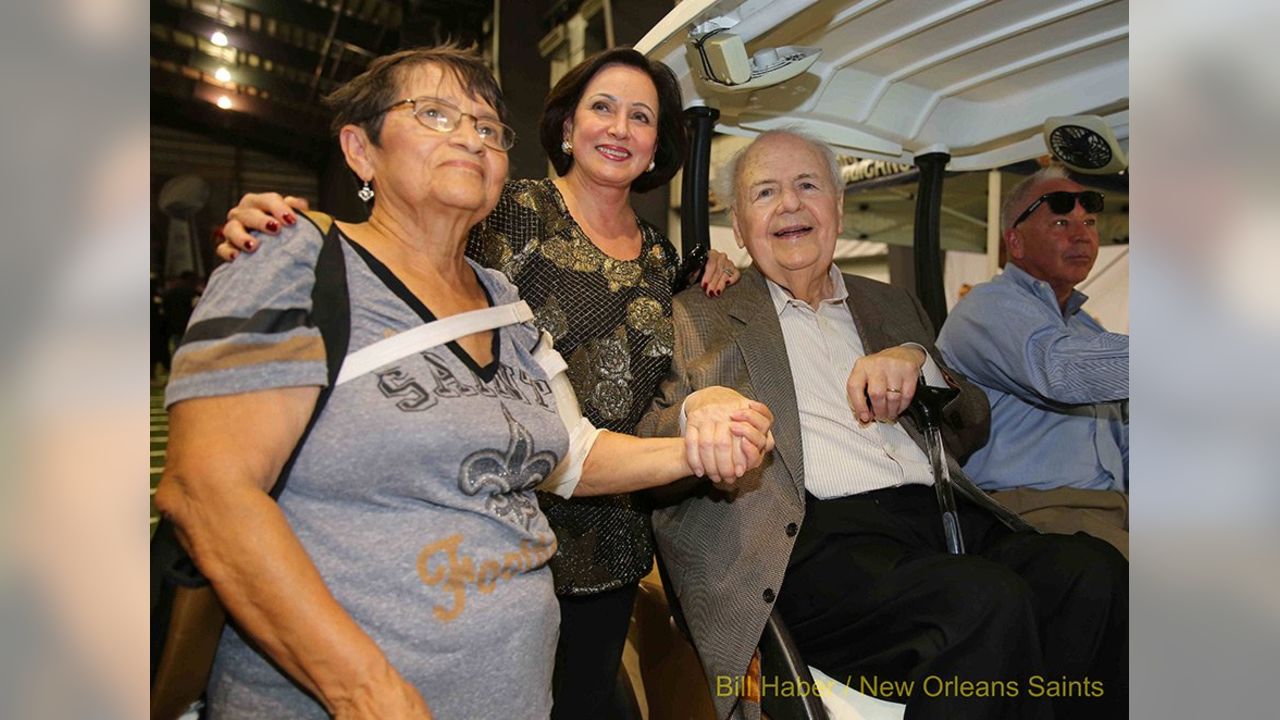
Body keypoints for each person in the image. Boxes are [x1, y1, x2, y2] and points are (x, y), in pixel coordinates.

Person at [155, 46, 772, 719]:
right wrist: (370, 693)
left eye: (485, 128)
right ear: (362, 152)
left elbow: (573, 452)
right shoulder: (297, 257)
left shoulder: (505, 303)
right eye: (434, 114)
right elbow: (206, 488)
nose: (467, 138)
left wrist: (704, 443)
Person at [637, 130, 1128, 720]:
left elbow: (972, 424)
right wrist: (699, 413)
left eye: (808, 185)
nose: (790, 204)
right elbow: (653, 433)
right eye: (765, 192)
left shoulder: (891, 303)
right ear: (738, 228)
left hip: (943, 515)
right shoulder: (700, 313)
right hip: (818, 538)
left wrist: (923, 368)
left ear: (838, 210)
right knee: (979, 602)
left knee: (1093, 574)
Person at [936, 165, 1129, 556]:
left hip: (1110, 513)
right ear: (1015, 243)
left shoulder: (1085, 329)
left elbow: (1126, 435)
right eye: (1061, 222)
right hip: (1032, 514)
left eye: (1089, 222)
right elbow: (1058, 371)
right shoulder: (988, 307)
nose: (1082, 234)